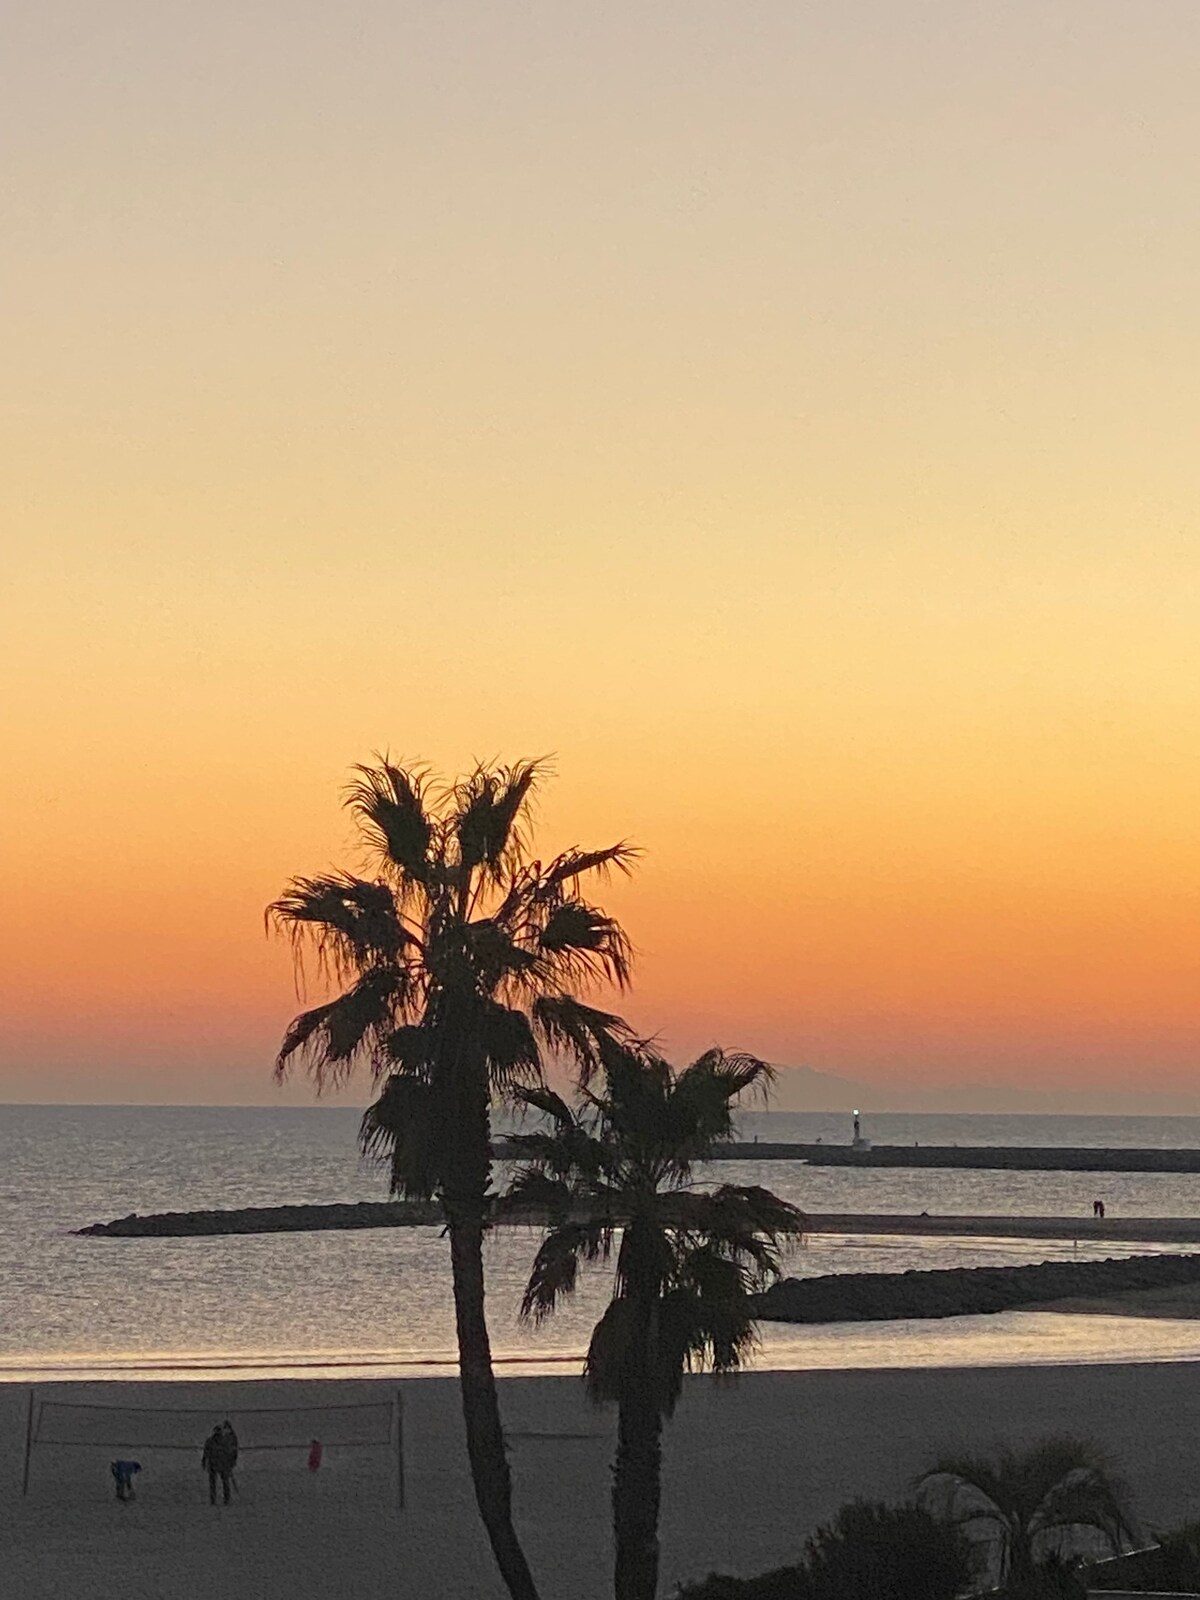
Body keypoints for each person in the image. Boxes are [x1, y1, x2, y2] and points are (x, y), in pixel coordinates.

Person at [202, 1424, 236, 1506]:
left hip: (219, 1464)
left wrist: (204, 1462)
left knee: (221, 1482)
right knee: (219, 1482)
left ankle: (221, 1499)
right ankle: (220, 1499)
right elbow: (206, 1453)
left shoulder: (212, 1441)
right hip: (218, 1464)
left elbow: (205, 1454)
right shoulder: (220, 1441)